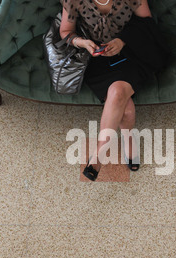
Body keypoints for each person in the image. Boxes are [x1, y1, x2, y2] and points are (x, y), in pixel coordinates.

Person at [59, 0, 153, 181]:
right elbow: (65, 32)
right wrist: (83, 43)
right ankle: (128, 137)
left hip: (130, 52)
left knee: (118, 92)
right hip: (96, 59)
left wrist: (122, 41)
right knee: (124, 105)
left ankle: (98, 154)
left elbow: (147, 23)